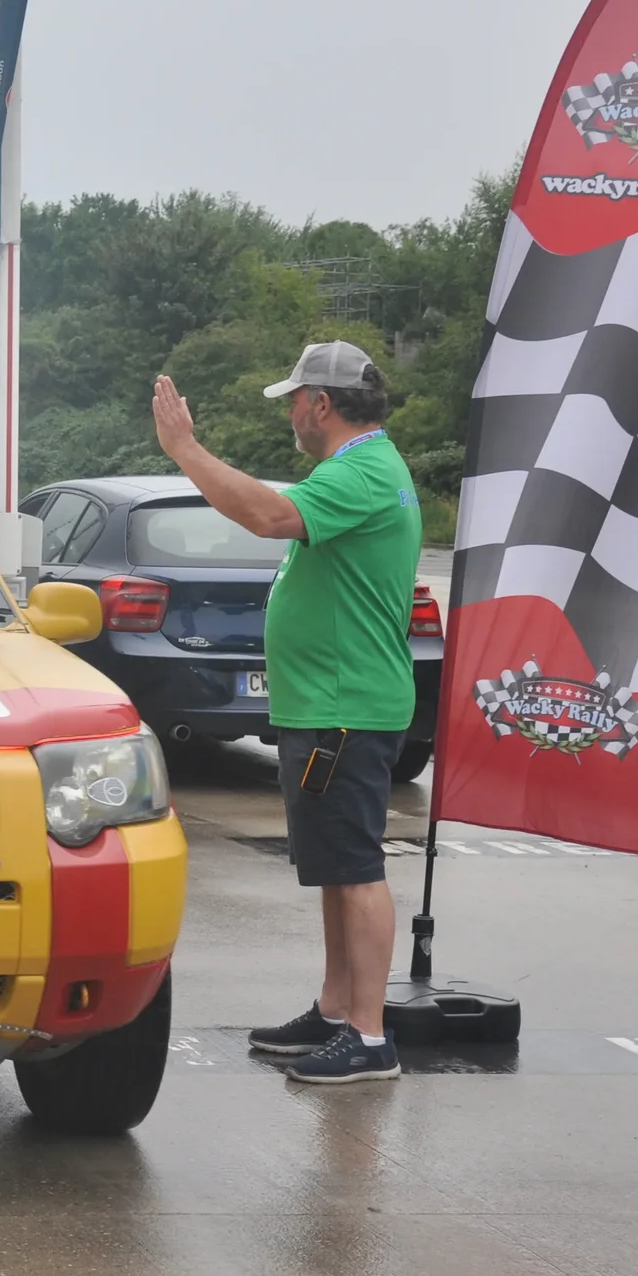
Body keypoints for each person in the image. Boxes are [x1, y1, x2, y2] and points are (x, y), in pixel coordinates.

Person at [151, 340, 421, 1085]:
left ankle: (367, 1035)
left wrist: (185, 449)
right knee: (336, 866)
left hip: (347, 706)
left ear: (321, 405)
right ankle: (337, 1012)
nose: (292, 414)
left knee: (357, 868)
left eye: (295, 400)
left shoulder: (361, 470)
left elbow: (266, 515)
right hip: (335, 703)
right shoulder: (365, 468)